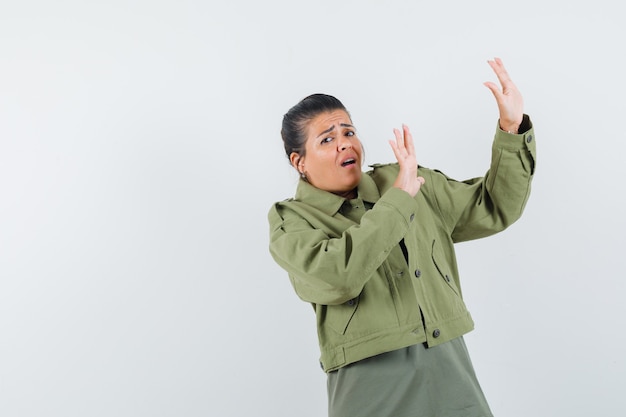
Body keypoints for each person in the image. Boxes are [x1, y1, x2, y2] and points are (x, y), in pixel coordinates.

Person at [268, 57, 536, 417]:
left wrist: (511, 127)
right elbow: (335, 277)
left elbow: (494, 205)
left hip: (450, 374)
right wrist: (399, 199)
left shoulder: (405, 179)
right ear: (299, 162)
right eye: (327, 139)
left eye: (349, 132)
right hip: (371, 388)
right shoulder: (292, 219)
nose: (344, 144)